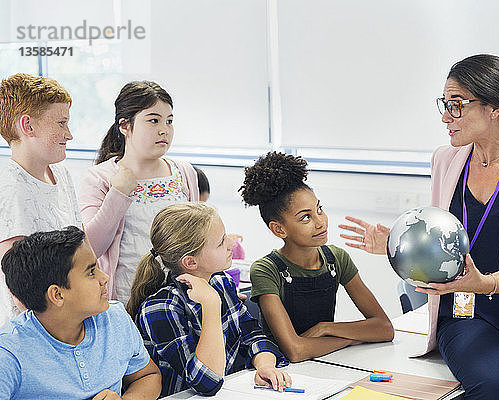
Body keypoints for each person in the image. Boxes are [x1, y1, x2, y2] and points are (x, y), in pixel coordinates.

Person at [339, 54, 499, 399]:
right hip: (467, 312)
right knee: (497, 387)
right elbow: (439, 234)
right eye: (444, 105)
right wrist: (397, 242)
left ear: (494, 108)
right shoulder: (445, 159)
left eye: (457, 105)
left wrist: (486, 282)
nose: (446, 117)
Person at [240, 152, 394, 363]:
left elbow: (384, 329)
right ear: (279, 229)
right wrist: (347, 339)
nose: (320, 222)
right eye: (305, 217)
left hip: (325, 362)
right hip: (280, 372)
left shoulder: (336, 258)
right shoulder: (266, 270)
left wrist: (327, 328)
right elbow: (295, 350)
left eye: (319, 209)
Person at [127, 202, 290, 397]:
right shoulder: (161, 308)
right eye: (221, 241)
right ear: (190, 262)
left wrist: (264, 365)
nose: (231, 244)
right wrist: (211, 304)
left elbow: (252, 335)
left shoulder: (222, 282)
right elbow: (207, 383)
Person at [0, 226, 161, 399]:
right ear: (58, 294)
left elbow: (148, 376)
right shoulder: (9, 353)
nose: (105, 278)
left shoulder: (116, 318)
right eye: (91, 272)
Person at [78, 81, 200, 304]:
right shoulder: (100, 177)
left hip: (182, 301)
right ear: (125, 125)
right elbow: (91, 248)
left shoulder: (184, 172)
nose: (164, 130)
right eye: (153, 120)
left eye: (169, 121)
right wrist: (119, 192)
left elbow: (199, 239)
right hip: (125, 301)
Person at [0, 73, 82, 327]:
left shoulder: (61, 174)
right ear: (28, 126)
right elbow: (18, 282)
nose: (69, 135)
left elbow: (81, 241)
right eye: (61, 123)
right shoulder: (10, 185)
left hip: (69, 309)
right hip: (37, 325)